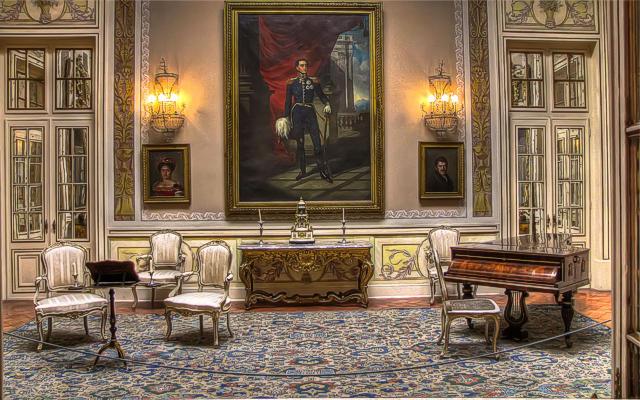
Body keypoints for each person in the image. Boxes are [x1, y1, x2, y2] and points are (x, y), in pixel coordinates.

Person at [275, 58, 333, 183]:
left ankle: (322, 170)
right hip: (297, 113)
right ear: (297, 68)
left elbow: (321, 95)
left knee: (317, 143)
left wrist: (327, 104)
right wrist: (286, 116)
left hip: (310, 112)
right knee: (300, 144)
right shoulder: (291, 83)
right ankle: (302, 170)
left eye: (306, 65)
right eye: (302, 65)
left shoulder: (314, 81)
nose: (305, 67)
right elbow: (287, 101)